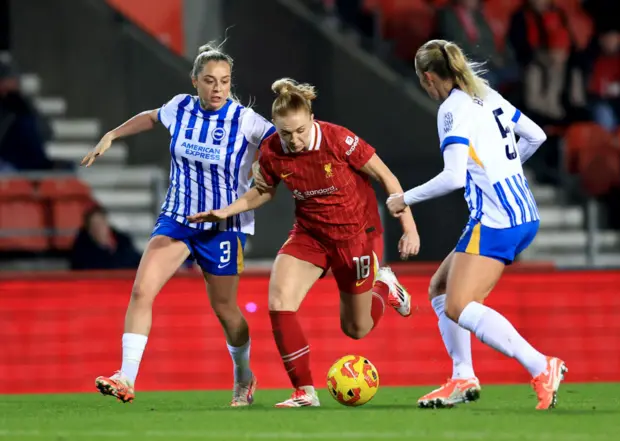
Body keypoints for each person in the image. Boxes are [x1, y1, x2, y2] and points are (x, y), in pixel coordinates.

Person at [188, 77, 421, 408]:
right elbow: (263, 191)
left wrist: (409, 227)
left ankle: (385, 287)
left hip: (357, 237)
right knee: (279, 299)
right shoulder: (272, 152)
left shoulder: (339, 140)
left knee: (356, 329)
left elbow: (387, 177)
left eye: (299, 131)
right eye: (285, 133)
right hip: (309, 235)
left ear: (311, 118)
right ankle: (304, 391)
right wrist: (225, 211)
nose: (293, 140)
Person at [82, 41, 275, 406]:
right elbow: (153, 117)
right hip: (178, 218)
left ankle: (243, 375)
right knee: (141, 291)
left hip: (223, 225)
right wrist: (113, 134)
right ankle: (126, 376)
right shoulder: (180, 107)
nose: (217, 88)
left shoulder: (245, 120)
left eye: (224, 81)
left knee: (226, 310)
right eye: (209, 80)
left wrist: (265, 169)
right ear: (194, 82)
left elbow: (280, 142)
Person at [386, 39, 566, 410]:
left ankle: (540, 365)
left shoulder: (452, 109)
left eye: (423, 81)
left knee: (458, 304)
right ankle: (462, 376)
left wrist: (404, 198)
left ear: (429, 76)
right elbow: (537, 135)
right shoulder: (488, 95)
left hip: (497, 218)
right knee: (439, 288)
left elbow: (453, 177)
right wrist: (508, 169)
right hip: (520, 212)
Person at [70, 205, 141, 270]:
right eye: (94, 225)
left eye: (100, 223)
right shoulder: (84, 252)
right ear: (89, 230)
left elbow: (136, 261)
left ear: (107, 223)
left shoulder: (124, 242)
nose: (98, 228)